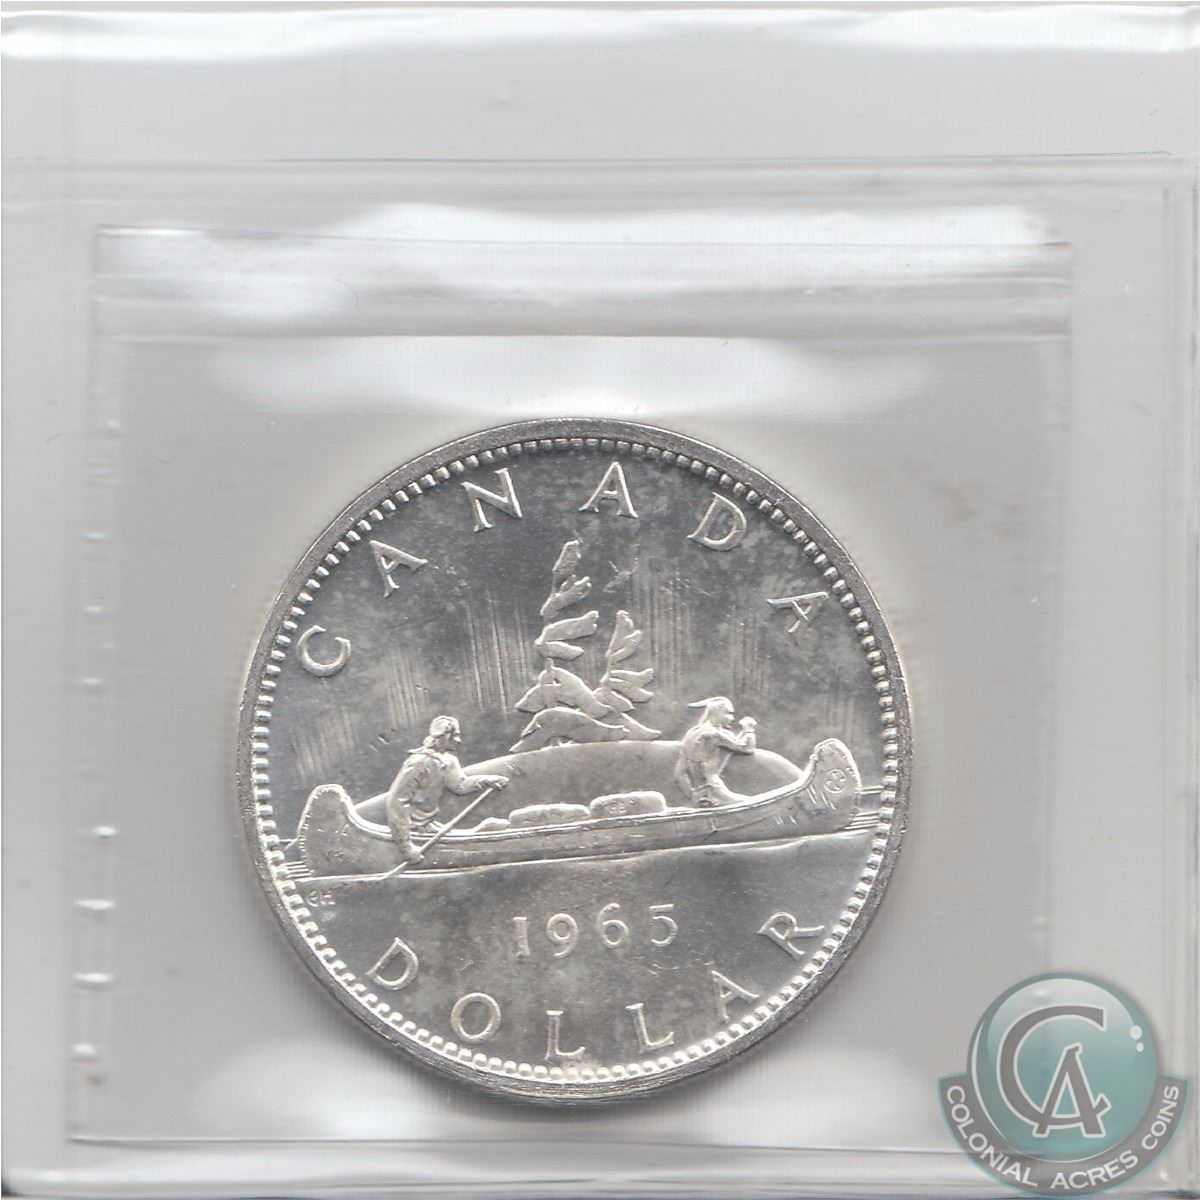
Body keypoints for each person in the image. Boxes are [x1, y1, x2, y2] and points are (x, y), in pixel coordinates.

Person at [386, 715, 508, 861]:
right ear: (444, 736)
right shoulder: (419, 762)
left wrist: (488, 780)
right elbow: (396, 801)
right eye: (455, 735)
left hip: (428, 825)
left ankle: (484, 829)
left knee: (478, 831)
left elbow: (460, 785)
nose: (459, 740)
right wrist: (406, 847)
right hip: (412, 829)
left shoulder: (449, 761)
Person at [674, 696, 757, 807]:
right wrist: (749, 730)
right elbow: (747, 749)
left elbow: (679, 775)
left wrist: (695, 796)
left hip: (701, 795)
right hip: (715, 791)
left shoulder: (692, 733)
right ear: (718, 713)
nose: (732, 718)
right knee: (752, 804)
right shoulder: (714, 735)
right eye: (729, 713)